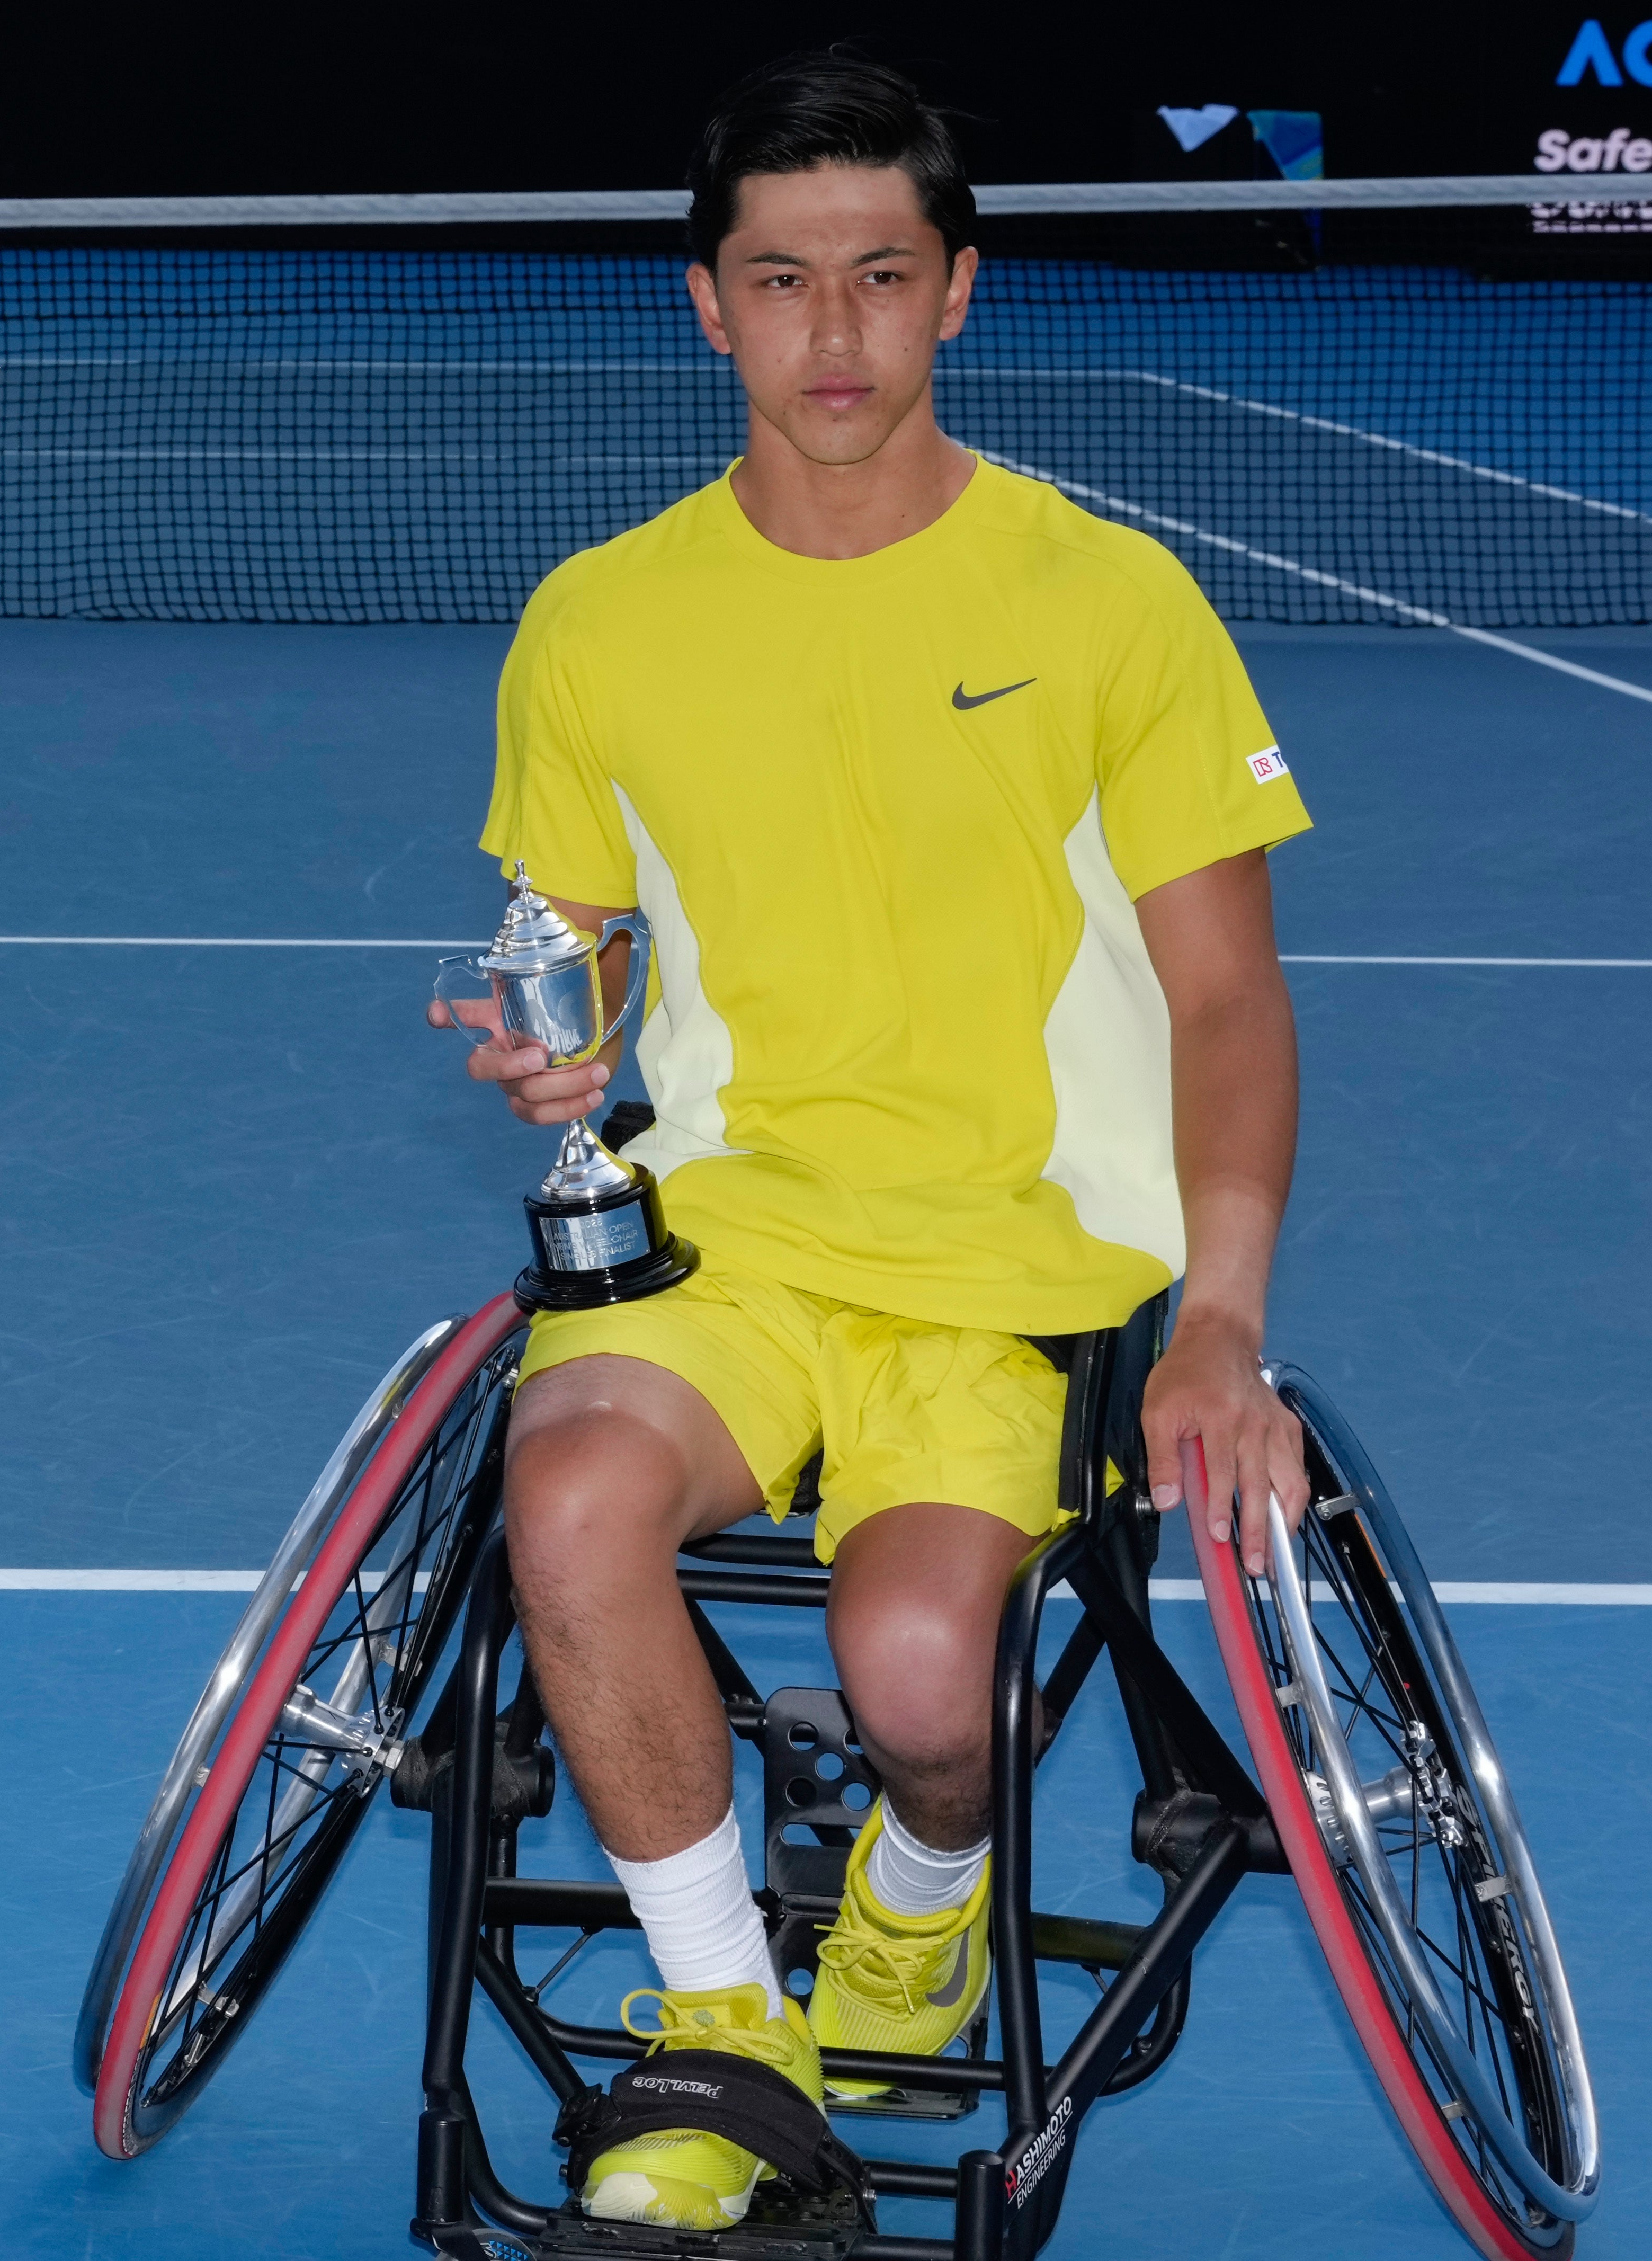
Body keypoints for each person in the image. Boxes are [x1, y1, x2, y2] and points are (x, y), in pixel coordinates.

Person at [448, 54, 1315, 2231]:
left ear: (954, 297)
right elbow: (575, 945)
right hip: (726, 1242)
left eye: (875, 280)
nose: (829, 338)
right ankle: (726, 2029)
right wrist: (562, 1047)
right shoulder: (595, 617)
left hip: (1017, 1269)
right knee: (564, 1493)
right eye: (777, 281)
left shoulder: (1107, 602)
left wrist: (1216, 1321)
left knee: (922, 1672)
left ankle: (919, 1888)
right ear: (702, 309)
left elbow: (1224, 996)